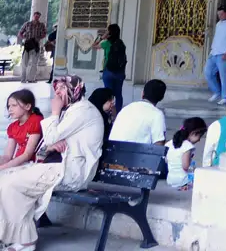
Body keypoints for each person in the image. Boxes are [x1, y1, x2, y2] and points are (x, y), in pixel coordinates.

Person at [0, 76, 103, 251]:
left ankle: (26, 240)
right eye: (56, 88)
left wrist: (54, 113)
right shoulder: (70, 110)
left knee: (11, 183)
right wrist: (51, 145)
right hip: (56, 165)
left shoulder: (83, 111)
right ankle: (12, 235)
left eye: (63, 88)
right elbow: (47, 144)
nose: (58, 92)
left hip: (72, 172)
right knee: (5, 178)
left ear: (75, 89)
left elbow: (51, 136)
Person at [110, 79, 167, 145]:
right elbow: (159, 145)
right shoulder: (157, 114)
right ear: (162, 97)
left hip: (112, 152)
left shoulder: (126, 108)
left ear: (142, 93)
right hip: (133, 153)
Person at [0, 90, 43, 172]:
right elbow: (7, 156)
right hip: (18, 164)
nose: (10, 109)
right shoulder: (12, 127)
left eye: (14, 105)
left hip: (31, 165)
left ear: (27, 106)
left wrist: (3, 168)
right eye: (9, 106)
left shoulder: (35, 121)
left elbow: (27, 155)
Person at [204, 5, 226, 105]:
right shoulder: (219, 24)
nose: (220, 16)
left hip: (224, 53)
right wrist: (212, 50)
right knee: (208, 73)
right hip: (214, 53)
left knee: (224, 76)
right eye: (218, 14)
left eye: (221, 14)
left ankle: (225, 96)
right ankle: (217, 92)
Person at [92, 24, 127, 113]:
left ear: (109, 33)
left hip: (108, 71)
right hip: (120, 72)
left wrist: (102, 38)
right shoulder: (121, 43)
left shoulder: (106, 43)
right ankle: (118, 113)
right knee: (118, 94)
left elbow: (94, 46)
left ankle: (109, 113)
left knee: (108, 94)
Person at [164, 117, 207, 190]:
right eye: (199, 136)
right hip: (183, 180)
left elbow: (166, 160)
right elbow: (186, 166)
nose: (199, 140)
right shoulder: (187, 146)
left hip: (170, 179)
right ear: (194, 133)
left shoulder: (169, 143)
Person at [16, 12, 46, 84]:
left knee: (34, 63)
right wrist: (24, 38)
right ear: (33, 16)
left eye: (38, 16)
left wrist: (38, 38)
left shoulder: (41, 25)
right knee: (24, 62)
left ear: (39, 17)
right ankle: (23, 79)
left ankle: (31, 79)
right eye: (35, 16)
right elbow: (20, 33)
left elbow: (44, 34)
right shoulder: (27, 24)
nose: (36, 18)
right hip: (28, 44)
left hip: (35, 45)